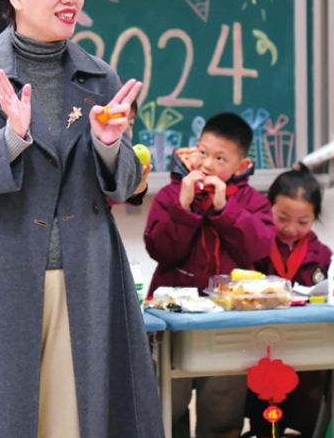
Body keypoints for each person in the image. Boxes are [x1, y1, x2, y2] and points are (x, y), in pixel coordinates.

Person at [0, 0, 163, 438]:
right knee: (1, 419)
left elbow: (125, 184)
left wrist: (108, 144)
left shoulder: (99, 77)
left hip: (84, 273)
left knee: (76, 420)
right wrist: (11, 139)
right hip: (1, 274)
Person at [144, 112, 276, 438]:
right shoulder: (171, 195)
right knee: (164, 406)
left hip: (228, 327)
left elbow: (258, 248)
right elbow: (160, 250)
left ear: (241, 167)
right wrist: (184, 208)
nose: (207, 164)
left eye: (220, 158)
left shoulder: (251, 202)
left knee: (222, 410)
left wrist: (223, 211)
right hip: (173, 325)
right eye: (203, 152)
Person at [247, 168, 332, 438]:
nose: (291, 229)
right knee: (264, 415)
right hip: (258, 346)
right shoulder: (253, 245)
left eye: (304, 221)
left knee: (307, 407)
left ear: (315, 218)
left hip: (304, 347)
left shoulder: (321, 255)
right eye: (281, 217)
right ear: (267, 205)